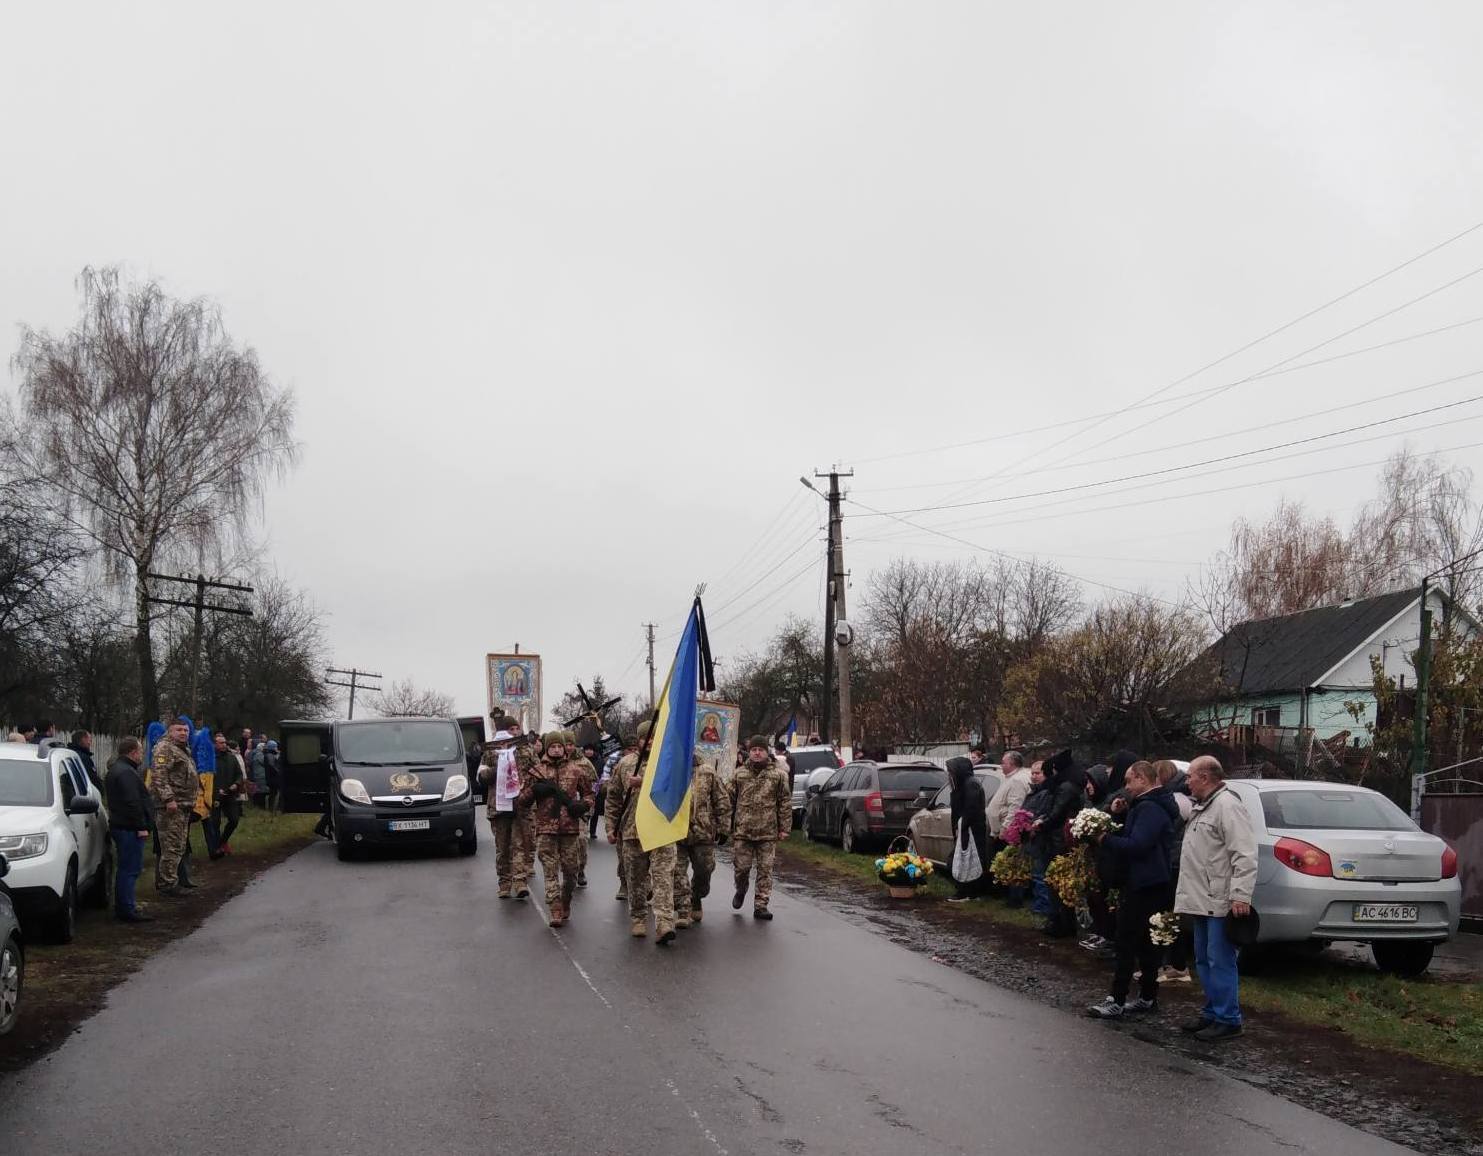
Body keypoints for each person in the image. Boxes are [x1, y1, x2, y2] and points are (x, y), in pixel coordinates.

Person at [1087, 761, 1179, 1019]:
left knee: (1128, 940)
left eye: (1128, 781)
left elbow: (1138, 845)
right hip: (1150, 881)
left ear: (1141, 779)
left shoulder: (1150, 808)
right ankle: (1147, 996)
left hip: (1145, 883)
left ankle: (1117, 998)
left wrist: (1105, 839)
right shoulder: (1150, 805)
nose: (1126, 787)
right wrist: (1119, 816)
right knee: (1146, 942)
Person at [1176, 755, 1258, 1042]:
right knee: (1203, 959)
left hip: (1220, 899)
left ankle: (1228, 1018)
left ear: (1206, 777)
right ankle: (1212, 1012)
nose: (1187, 781)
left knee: (1219, 959)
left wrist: (1240, 895)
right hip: (1201, 897)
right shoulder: (1203, 807)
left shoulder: (1227, 806)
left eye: (1191, 776)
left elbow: (1244, 854)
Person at [605, 722, 680, 943]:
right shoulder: (625, 764)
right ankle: (638, 917)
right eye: (645, 737)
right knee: (636, 880)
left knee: (663, 878)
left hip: (662, 830)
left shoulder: (668, 764)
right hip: (632, 831)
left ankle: (664, 923)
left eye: (654, 737)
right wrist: (611, 826)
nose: (649, 741)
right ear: (638, 740)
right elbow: (613, 798)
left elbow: (677, 792)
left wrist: (644, 782)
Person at [517, 732, 594, 928]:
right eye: (553, 746)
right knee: (550, 872)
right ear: (546, 748)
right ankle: (555, 909)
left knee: (571, 873)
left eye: (560, 746)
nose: (557, 749)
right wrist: (534, 791)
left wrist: (583, 806)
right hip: (545, 829)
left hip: (570, 829)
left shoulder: (576, 770)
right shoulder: (536, 771)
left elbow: (590, 794)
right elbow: (522, 801)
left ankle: (565, 899)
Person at [729, 735, 790, 921]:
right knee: (741, 869)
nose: (757, 753)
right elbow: (729, 800)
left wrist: (785, 827)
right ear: (750, 752)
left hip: (767, 832)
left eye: (760, 750)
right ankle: (741, 889)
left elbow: (784, 802)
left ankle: (761, 905)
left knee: (765, 870)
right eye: (754, 749)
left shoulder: (778, 775)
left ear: (766, 752)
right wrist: (725, 826)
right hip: (743, 832)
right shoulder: (739, 774)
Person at [479, 717, 535, 899]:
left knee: (520, 845)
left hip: (521, 804)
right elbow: (481, 777)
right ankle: (504, 883)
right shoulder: (490, 752)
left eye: (516, 728)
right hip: (498, 806)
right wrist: (498, 768)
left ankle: (520, 882)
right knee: (503, 848)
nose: (514, 732)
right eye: (510, 729)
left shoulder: (526, 750)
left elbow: (538, 773)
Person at [1028, 749, 1082, 937]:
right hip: (1057, 838)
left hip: (1059, 841)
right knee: (1055, 882)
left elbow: (1057, 813)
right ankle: (1058, 920)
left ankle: (1062, 923)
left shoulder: (1066, 787)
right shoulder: (1066, 785)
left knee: (1057, 883)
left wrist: (1042, 823)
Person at [673, 751, 728, 928]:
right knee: (676, 871)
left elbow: (721, 800)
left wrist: (724, 827)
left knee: (704, 870)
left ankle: (696, 896)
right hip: (676, 831)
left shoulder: (707, 772)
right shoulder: (671, 770)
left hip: (702, 831)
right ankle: (682, 909)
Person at [105, 738, 155, 923]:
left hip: (123, 825)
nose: (142, 755)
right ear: (133, 752)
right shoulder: (126, 773)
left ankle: (127, 904)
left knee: (127, 868)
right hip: (128, 828)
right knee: (130, 869)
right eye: (140, 751)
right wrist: (141, 826)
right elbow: (132, 802)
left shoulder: (118, 769)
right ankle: (126, 908)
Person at [1154, 759, 1194, 982]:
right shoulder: (1177, 798)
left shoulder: (1177, 801)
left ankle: (1176, 965)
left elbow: (1168, 831)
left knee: (1169, 913)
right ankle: (1171, 963)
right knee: (1169, 912)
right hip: (1174, 860)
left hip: (1173, 862)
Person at [150, 718, 199, 896]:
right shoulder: (165, 748)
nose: (183, 733)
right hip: (171, 807)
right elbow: (159, 775)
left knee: (178, 845)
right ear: (170, 731)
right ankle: (167, 884)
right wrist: (168, 799)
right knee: (171, 846)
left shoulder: (182, 749)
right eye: (179, 730)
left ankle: (171, 880)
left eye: (186, 730)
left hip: (183, 805)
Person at [946, 756, 988, 902]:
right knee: (963, 860)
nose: (949, 774)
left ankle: (966, 892)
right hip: (965, 829)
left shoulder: (971, 784)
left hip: (970, 830)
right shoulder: (962, 785)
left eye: (951, 771)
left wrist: (962, 826)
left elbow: (971, 809)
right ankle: (968, 891)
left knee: (964, 860)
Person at [210, 732, 247, 856]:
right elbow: (206, 777)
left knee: (234, 820)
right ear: (215, 744)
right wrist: (216, 789)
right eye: (221, 743)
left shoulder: (231, 758)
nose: (224, 745)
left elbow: (239, 774)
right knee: (215, 822)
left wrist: (236, 784)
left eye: (225, 742)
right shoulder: (211, 759)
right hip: (215, 796)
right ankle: (215, 849)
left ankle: (222, 841)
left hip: (230, 794)